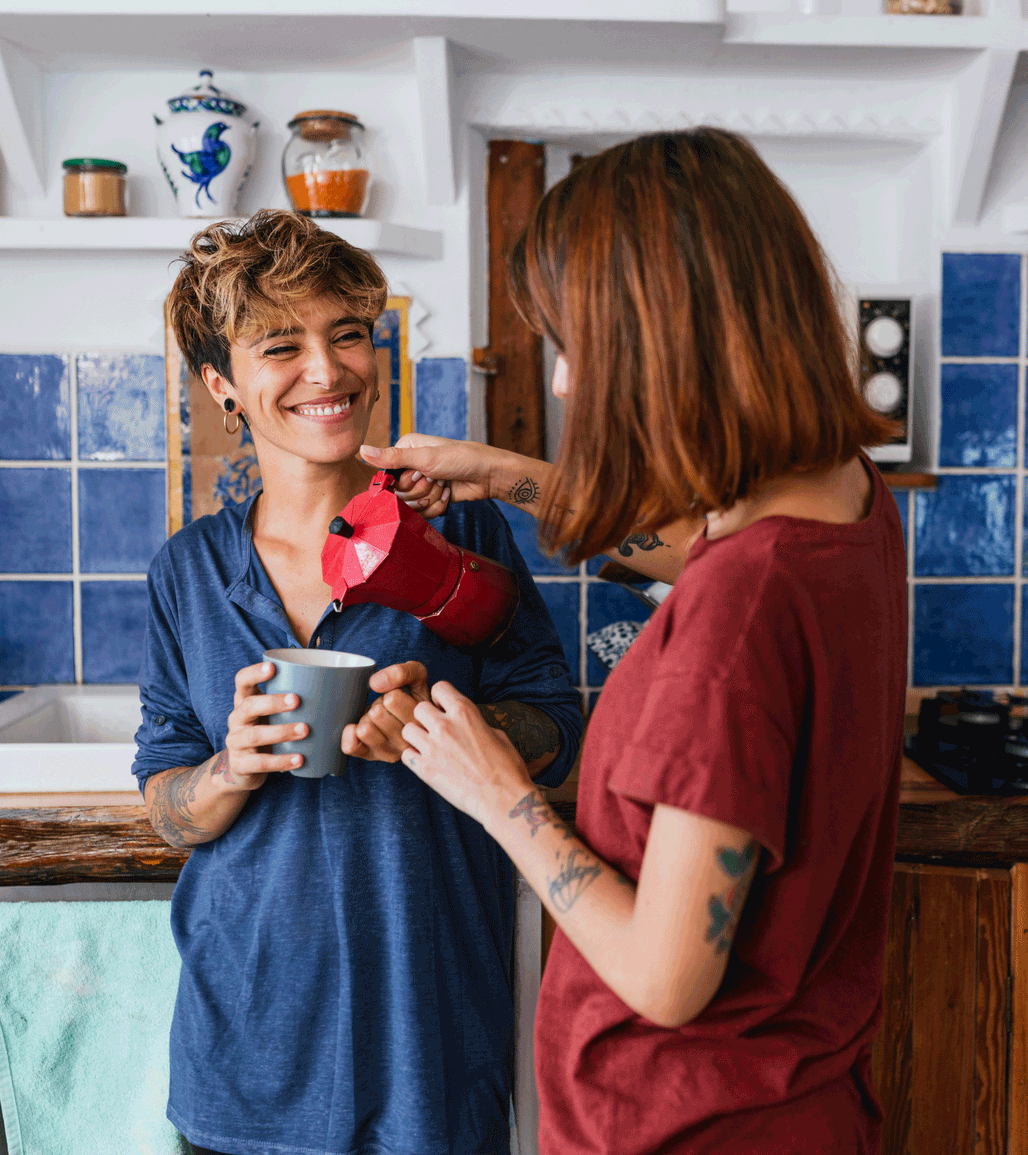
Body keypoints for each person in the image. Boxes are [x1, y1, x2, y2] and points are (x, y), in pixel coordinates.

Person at [365, 128, 907, 1155]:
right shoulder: (839, 501)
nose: (563, 383)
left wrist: (498, 793)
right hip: (798, 1103)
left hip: (691, 1125)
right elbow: (705, 551)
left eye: (573, 346)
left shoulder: (733, 624)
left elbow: (666, 978)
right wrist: (506, 473)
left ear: (665, 344)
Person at [133, 209, 583, 1155]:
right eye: (281, 345)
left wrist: (447, 725)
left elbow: (553, 719)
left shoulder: (463, 535)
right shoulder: (187, 573)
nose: (329, 370)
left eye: (347, 335)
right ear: (224, 385)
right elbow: (168, 803)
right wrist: (230, 767)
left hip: (431, 1046)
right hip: (245, 1057)